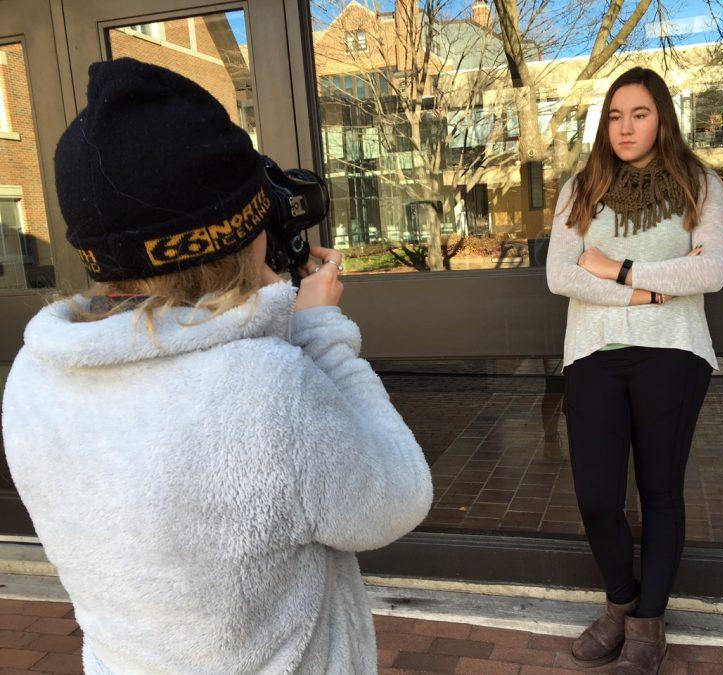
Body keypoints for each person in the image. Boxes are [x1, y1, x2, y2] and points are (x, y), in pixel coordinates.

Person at [1, 58, 433, 674]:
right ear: (248, 229)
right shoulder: (264, 388)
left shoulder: (34, 376)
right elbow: (398, 498)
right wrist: (321, 332)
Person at [546, 66, 723, 674]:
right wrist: (646, 293)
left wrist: (617, 269)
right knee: (597, 497)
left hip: (672, 351)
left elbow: (709, 274)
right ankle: (620, 603)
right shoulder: (581, 188)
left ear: (663, 118)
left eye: (640, 114)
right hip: (594, 352)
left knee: (659, 492)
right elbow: (561, 275)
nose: (625, 128)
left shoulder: (699, 184)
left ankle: (649, 625)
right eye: (615, 115)